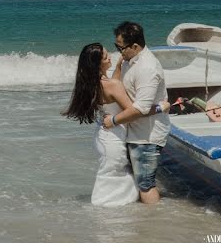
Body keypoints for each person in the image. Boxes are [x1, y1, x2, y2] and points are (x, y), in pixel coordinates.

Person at [63, 42, 169, 207]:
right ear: (98, 64)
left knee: (111, 175)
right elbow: (136, 111)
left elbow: (113, 90)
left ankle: (111, 211)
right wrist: (160, 107)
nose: (110, 57)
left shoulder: (93, 83)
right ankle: (108, 210)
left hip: (102, 135)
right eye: (105, 57)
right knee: (114, 177)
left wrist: (119, 66)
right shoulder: (112, 85)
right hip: (113, 136)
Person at [102, 21, 171, 204]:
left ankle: (152, 225)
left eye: (121, 47)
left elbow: (141, 108)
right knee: (140, 180)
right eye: (115, 46)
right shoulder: (128, 60)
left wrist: (114, 121)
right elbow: (117, 87)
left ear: (135, 46)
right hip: (133, 131)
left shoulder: (147, 68)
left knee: (145, 183)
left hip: (146, 135)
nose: (118, 51)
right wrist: (118, 67)